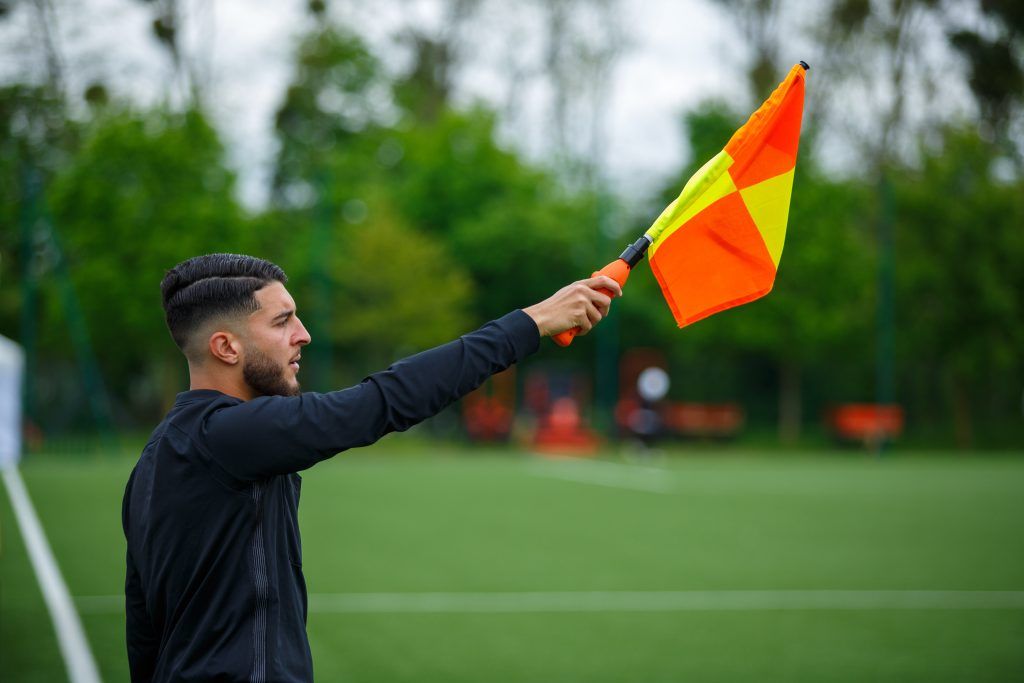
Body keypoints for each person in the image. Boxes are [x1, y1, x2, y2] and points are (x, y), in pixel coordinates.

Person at [122, 253, 620, 682]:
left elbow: (144, 630)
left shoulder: (154, 460)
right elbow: (382, 401)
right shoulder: (228, 436)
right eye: (282, 322)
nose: (304, 335)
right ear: (226, 347)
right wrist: (532, 322)